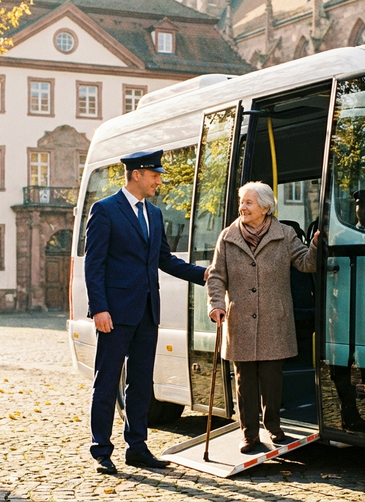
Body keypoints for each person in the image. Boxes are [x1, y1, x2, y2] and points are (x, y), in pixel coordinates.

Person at [84, 150, 207, 475]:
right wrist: (99, 309)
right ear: (137, 174)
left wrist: (203, 275)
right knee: (107, 381)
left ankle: (137, 448)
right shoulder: (105, 210)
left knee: (141, 383)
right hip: (114, 315)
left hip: (147, 313)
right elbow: (94, 265)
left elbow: (164, 259)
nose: (159, 181)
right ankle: (101, 450)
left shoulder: (154, 213)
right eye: (155, 175)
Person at [207, 181, 318, 453]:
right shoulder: (227, 237)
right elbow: (216, 275)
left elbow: (306, 264)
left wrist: (315, 245)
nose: (242, 207)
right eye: (242, 202)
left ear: (265, 207)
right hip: (240, 319)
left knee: (272, 378)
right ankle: (249, 435)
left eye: (248, 202)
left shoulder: (285, 234)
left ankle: (274, 428)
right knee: (245, 381)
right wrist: (216, 305)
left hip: (273, 318)